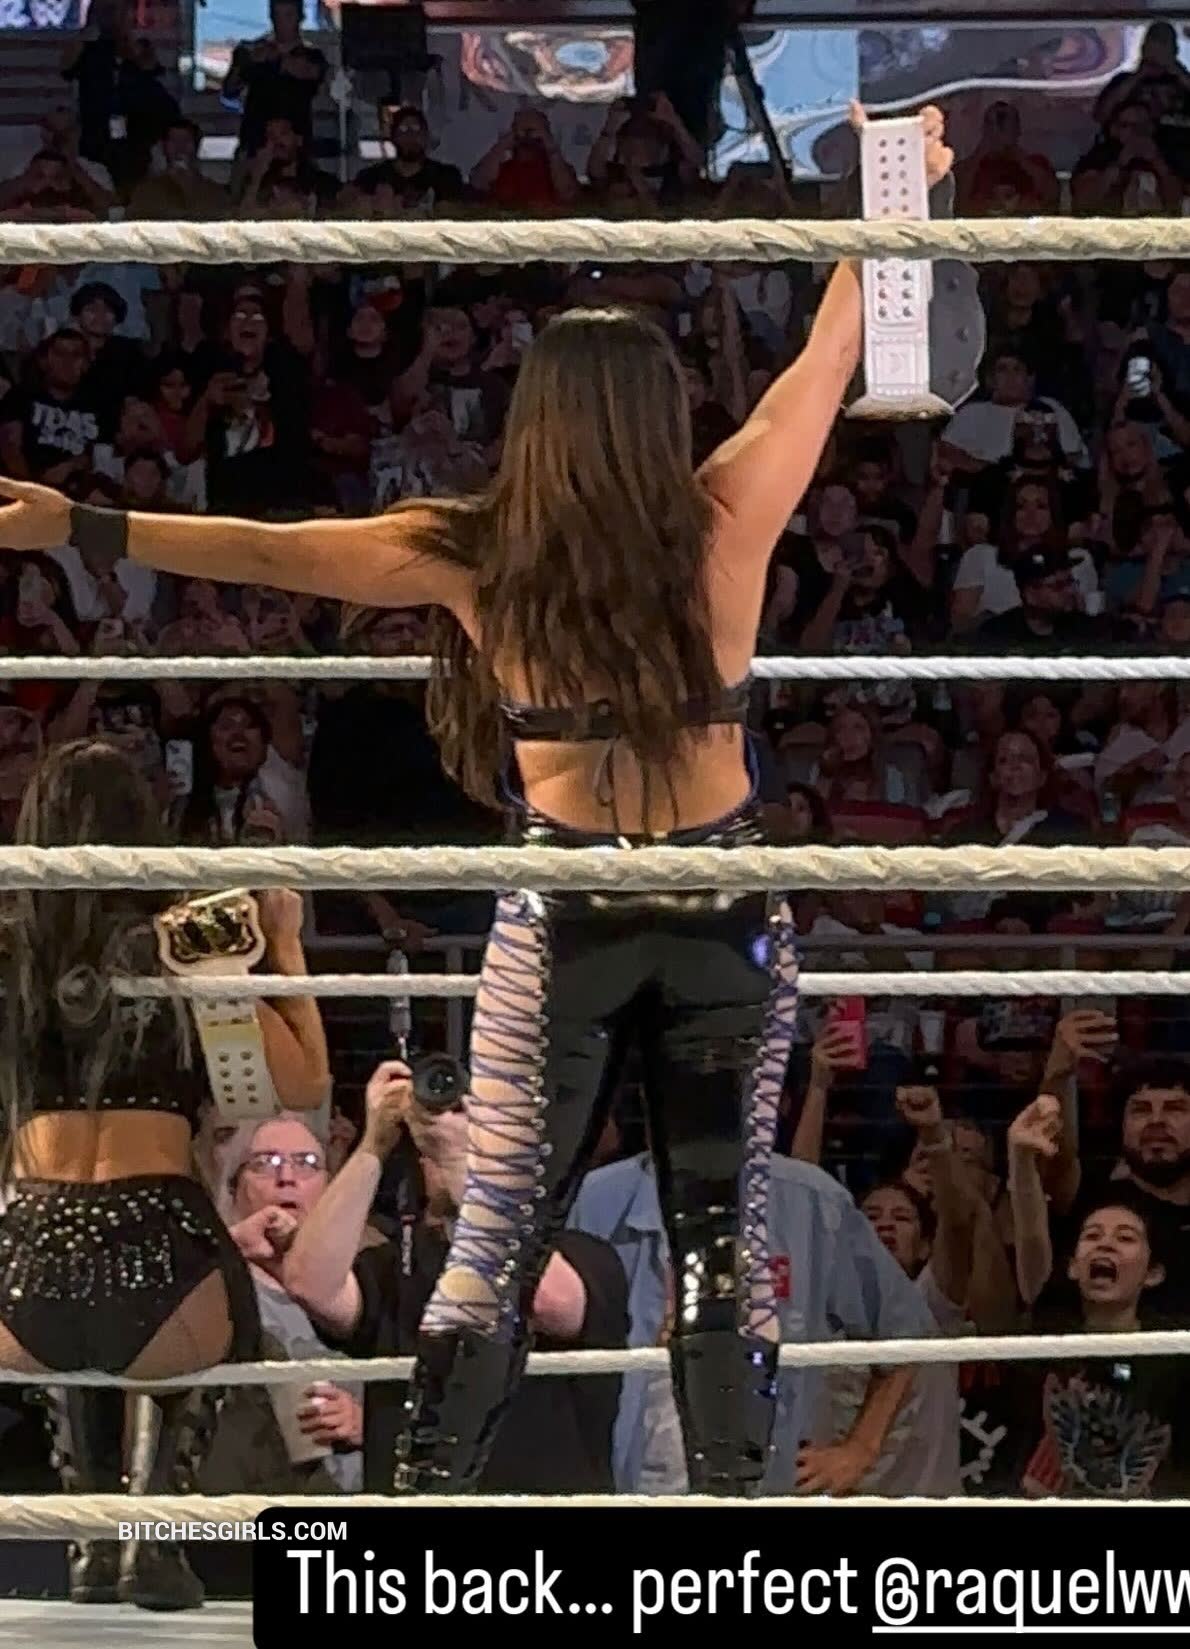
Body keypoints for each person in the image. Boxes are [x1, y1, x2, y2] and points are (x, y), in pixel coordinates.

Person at [0, 107, 957, 1498]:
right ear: (658, 416)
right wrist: (901, 191)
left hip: (563, 901)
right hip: (718, 899)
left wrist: (80, 523)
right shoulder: (725, 510)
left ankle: (430, 1505)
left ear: (536, 421)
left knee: (497, 1232)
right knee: (717, 1230)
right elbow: (825, 355)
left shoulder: (480, 551)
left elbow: (270, 550)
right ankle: (732, 1520)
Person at [0, 740, 329, 1608]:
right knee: (223, 1304)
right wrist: (284, 948)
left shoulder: (11, 952)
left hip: (21, 1272)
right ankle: (157, 1523)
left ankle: (90, 1529)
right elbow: (303, 1084)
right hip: (165, 1256)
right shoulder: (189, 940)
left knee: (73, 1318)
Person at [281, 1059, 628, 1493]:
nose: (464, 1149)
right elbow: (309, 1284)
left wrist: (464, 1167)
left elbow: (546, 1300)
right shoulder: (397, 1265)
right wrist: (375, 1143)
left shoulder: (586, 1256)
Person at [569, 1143, 950, 1496]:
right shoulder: (597, 1197)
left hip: (772, 1481)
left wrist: (861, 1449)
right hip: (632, 1483)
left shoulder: (812, 1200)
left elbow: (905, 1329)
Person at [224, 0, 328, 160]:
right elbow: (229, 90)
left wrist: (276, 57)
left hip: (294, 147)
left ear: (300, 17)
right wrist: (244, 63)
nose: (282, 23)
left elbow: (308, 71)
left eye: (288, 16)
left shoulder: (312, 56)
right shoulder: (251, 52)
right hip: (255, 144)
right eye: (277, 16)